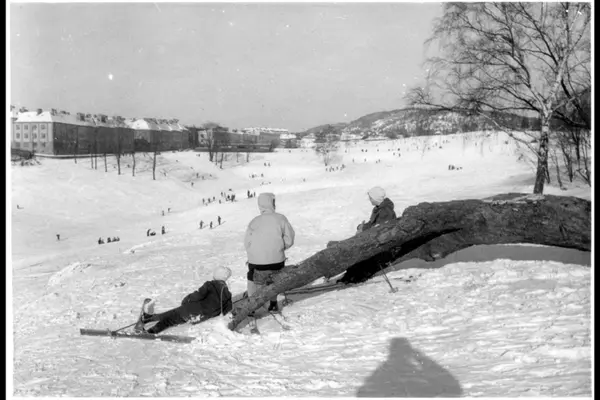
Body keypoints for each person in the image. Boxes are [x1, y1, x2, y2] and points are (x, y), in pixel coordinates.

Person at [135, 266, 233, 334]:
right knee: (172, 318)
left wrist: (187, 299)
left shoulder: (210, 285)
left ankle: (150, 330)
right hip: (199, 317)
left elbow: (198, 295)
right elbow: (227, 309)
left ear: (216, 276)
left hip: (191, 309)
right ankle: (149, 319)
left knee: (169, 318)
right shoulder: (227, 293)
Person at [244, 193, 295, 312]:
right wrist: (279, 248)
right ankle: (273, 303)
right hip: (277, 259)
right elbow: (289, 239)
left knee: (251, 276)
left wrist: (253, 254)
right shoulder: (280, 218)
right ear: (272, 203)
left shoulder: (254, 221)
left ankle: (251, 307)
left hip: (256, 260)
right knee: (274, 279)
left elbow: (247, 243)